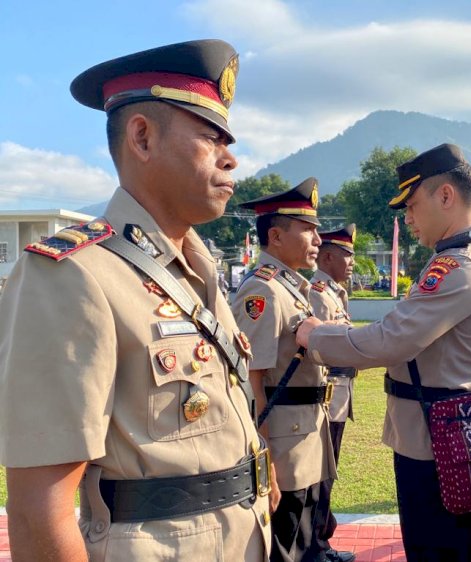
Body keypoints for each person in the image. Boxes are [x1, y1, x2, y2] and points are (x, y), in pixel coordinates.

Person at [0, 40, 271, 561]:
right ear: (142, 137)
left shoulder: (198, 269)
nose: (230, 156)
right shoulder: (71, 275)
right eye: (210, 136)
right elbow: (40, 510)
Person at [296, 143, 471, 562]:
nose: (407, 218)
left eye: (411, 205)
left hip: (437, 440)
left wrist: (314, 336)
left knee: (435, 549)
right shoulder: (458, 258)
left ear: (445, 196)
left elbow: (392, 339)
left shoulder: (461, 266)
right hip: (438, 431)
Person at [232, 179, 338, 562]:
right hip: (282, 444)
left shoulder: (292, 288)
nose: (317, 239)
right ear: (275, 236)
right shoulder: (263, 292)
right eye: (308, 230)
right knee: (286, 546)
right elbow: (249, 381)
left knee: (306, 541)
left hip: (305, 434)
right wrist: (265, 461)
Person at [309, 224, 358, 562]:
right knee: (320, 473)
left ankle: (321, 537)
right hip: (326, 394)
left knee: (329, 470)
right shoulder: (317, 291)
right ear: (327, 256)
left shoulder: (335, 291)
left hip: (339, 393)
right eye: (346, 255)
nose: (352, 262)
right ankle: (317, 544)